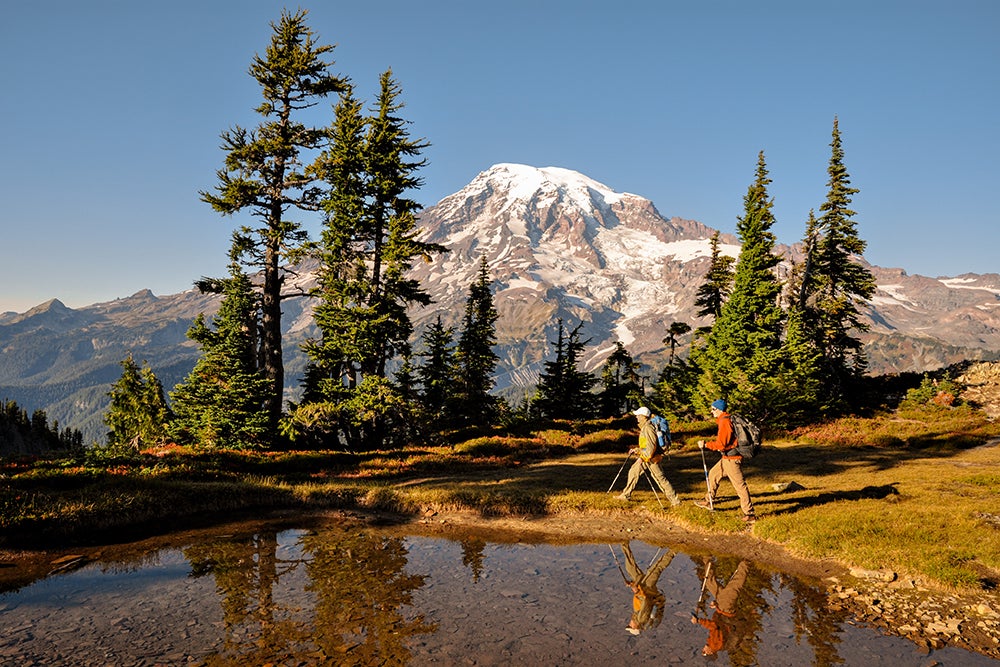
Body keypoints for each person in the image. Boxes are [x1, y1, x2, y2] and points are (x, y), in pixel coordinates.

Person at [696, 399, 756, 523]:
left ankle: (749, 514)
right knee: (713, 474)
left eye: (713, 409)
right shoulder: (725, 420)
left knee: (740, 486)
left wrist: (706, 445)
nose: (711, 412)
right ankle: (708, 501)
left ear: (719, 409)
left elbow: (722, 444)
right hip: (727, 458)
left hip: (732, 459)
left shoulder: (725, 422)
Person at [615, 406, 681, 507]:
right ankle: (625, 495)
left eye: (638, 415)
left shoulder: (648, 428)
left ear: (643, 416)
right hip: (648, 457)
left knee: (660, 479)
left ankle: (675, 501)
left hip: (652, 458)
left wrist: (642, 458)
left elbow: (651, 448)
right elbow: (646, 446)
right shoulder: (645, 427)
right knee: (633, 471)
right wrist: (637, 450)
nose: (636, 417)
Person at [690, 559, 750, 658]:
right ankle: (746, 562)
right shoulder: (715, 644)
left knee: (709, 582)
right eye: (704, 652)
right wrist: (698, 621)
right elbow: (714, 626)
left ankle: (707, 558)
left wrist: (716, 606)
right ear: (710, 652)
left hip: (721, 608)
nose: (703, 649)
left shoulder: (713, 643)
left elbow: (719, 624)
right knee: (734, 586)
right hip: (726, 609)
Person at [619, 541, 674, 635]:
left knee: (631, 569)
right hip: (648, 589)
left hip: (644, 588)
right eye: (630, 626)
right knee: (657, 568)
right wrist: (636, 590)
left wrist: (633, 585)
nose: (629, 623)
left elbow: (641, 601)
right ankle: (674, 551)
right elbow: (646, 601)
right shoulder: (641, 619)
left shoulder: (637, 617)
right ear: (635, 627)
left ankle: (624, 543)